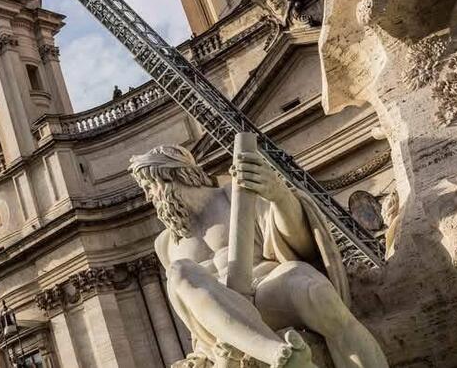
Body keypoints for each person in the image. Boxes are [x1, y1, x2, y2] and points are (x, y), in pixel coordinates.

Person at [129, 145, 388, 368]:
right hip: (225, 321)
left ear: (174, 175)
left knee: (320, 294)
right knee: (180, 272)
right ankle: (281, 354)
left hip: (268, 289)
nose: (149, 197)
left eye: (150, 187)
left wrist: (279, 196)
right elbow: (192, 311)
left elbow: (298, 245)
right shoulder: (165, 243)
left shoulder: (234, 195)